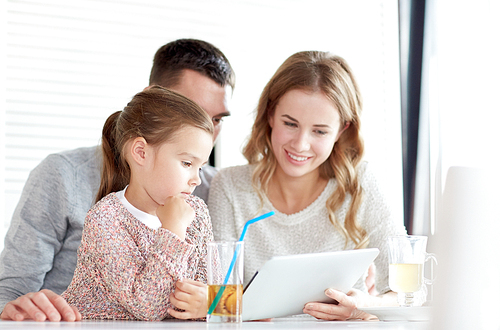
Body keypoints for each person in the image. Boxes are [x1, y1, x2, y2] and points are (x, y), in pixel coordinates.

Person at [0, 38, 235, 321]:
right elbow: (10, 290)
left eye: (217, 119)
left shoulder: (204, 193)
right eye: (186, 110)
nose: (203, 130)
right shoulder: (74, 185)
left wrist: (214, 302)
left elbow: (222, 297)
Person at [208, 51, 406, 321]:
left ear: (341, 131)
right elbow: (214, 300)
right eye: (290, 124)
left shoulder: (360, 184)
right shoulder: (230, 187)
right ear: (270, 115)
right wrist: (230, 305)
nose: (300, 145)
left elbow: (409, 293)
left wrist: (366, 304)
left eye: (320, 131)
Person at [61, 86, 214, 320]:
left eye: (201, 166)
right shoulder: (106, 219)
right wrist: (173, 231)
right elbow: (150, 308)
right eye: (186, 163)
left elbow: (215, 291)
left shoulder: (197, 213)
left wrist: (211, 303)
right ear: (141, 152)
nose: (196, 179)